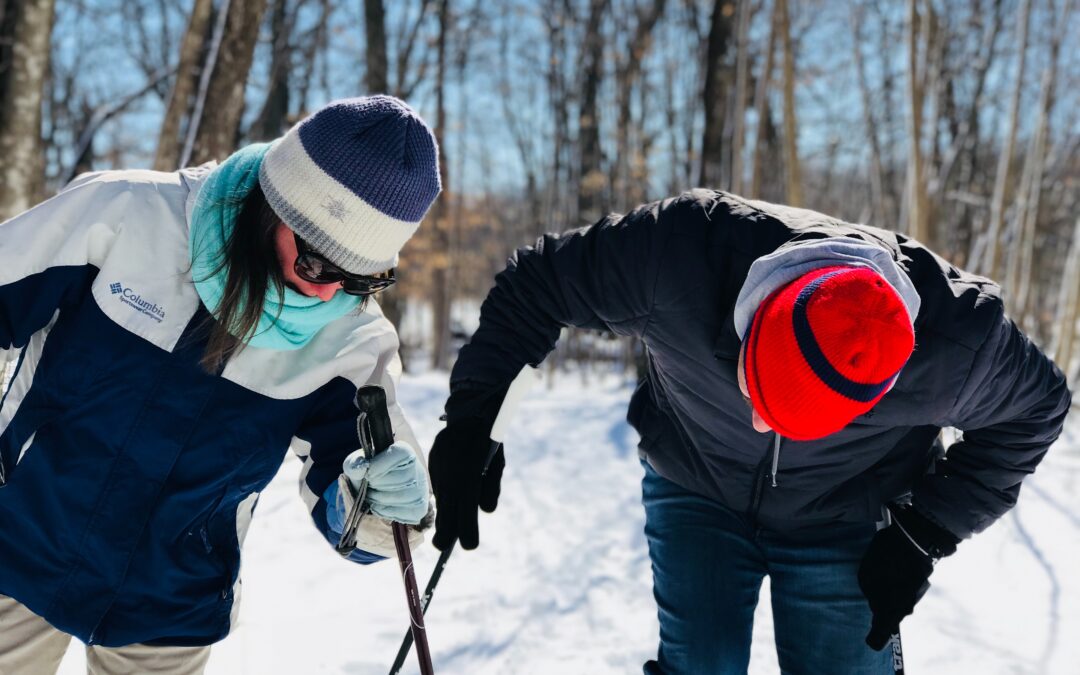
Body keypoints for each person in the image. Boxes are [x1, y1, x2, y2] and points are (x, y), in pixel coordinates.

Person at [427, 189, 1073, 674]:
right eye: (759, 391)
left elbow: (1036, 410)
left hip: (846, 506)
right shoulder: (676, 254)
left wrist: (924, 530)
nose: (764, 420)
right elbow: (534, 285)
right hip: (696, 479)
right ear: (759, 312)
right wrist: (471, 421)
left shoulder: (957, 345)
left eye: (796, 419)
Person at [0, 95, 440, 674]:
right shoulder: (126, 214)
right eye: (315, 264)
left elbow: (365, 518)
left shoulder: (351, 340)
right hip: (16, 547)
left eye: (361, 277)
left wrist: (380, 505)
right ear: (269, 206)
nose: (330, 294)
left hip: (169, 607)